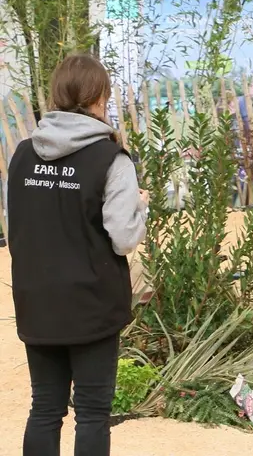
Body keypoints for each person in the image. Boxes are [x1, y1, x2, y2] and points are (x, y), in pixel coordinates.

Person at [7, 53, 148, 456]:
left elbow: (18, 229)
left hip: (37, 301)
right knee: (91, 413)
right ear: (98, 97)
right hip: (91, 305)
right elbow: (122, 239)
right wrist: (139, 206)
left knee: (45, 409)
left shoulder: (21, 156)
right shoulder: (111, 158)